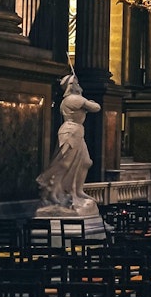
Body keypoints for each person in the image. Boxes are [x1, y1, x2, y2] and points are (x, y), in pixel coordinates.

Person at [36, 73, 102, 216]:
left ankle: (78, 191)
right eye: (75, 83)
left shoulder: (75, 98)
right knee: (63, 163)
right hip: (70, 132)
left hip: (78, 132)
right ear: (71, 86)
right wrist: (86, 99)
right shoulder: (73, 99)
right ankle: (52, 192)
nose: (78, 85)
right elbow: (96, 107)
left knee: (85, 162)